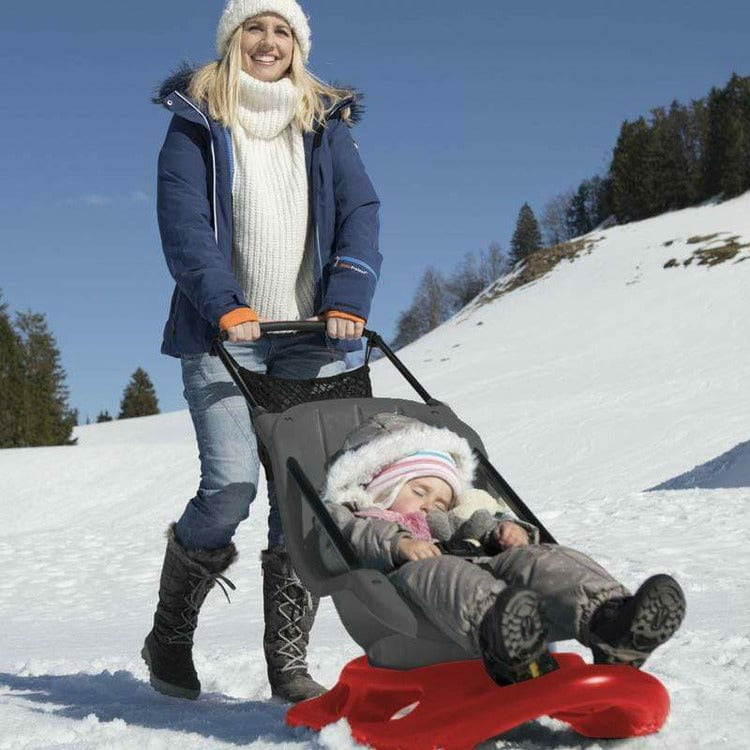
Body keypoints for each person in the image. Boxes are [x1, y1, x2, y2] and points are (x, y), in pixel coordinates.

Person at [142, 0, 381, 704]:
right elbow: (183, 223)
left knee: (301, 502)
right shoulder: (194, 124)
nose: (268, 40)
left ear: (298, 47)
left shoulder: (325, 123)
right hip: (224, 337)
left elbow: (362, 214)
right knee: (232, 487)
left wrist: (348, 298)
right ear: (230, 41)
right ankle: (170, 632)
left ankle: (287, 662)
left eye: (282, 29)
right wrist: (227, 305)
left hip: (314, 337)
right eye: (254, 26)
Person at [321, 413, 686, 685]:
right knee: (442, 570)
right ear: (385, 485)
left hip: (481, 564)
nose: (431, 504)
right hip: (405, 584)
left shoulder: (452, 519)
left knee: (540, 559)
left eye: (441, 499)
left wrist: (507, 532)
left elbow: (479, 525)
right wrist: (400, 543)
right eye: (419, 492)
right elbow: (349, 537)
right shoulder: (362, 514)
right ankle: (508, 640)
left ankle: (611, 623)